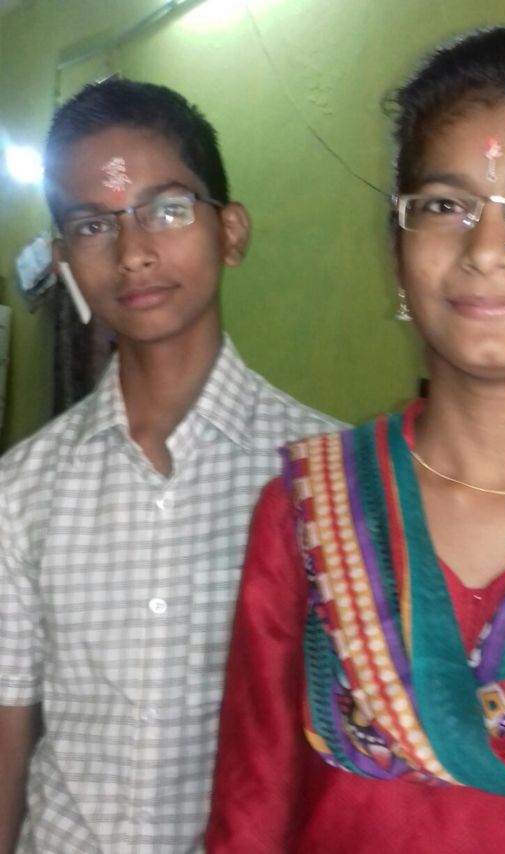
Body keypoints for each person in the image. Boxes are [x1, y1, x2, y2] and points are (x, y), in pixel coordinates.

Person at [206, 24, 505, 854]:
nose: (487, 248)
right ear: (399, 249)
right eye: (445, 205)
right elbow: (248, 818)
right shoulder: (307, 513)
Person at [0, 79, 341, 854]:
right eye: (94, 224)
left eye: (167, 209)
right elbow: (7, 733)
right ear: (64, 259)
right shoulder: (22, 490)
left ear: (231, 231)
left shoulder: (323, 477)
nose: (134, 253)